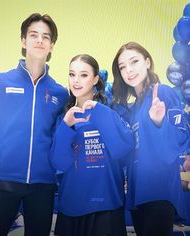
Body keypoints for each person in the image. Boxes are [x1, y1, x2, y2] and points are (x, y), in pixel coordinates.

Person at [0, 13, 69, 236]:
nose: (39, 40)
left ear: (52, 46)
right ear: (23, 41)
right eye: (33, 35)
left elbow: (61, 140)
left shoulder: (59, 93)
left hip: (43, 186)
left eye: (46, 37)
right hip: (4, 182)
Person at [50, 54, 134, 236]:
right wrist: (66, 126)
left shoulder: (113, 111)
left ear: (96, 79)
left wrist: (100, 112)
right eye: (72, 74)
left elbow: (123, 149)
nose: (76, 81)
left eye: (83, 75)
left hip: (107, 207)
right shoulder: (64, 118)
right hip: (72, 206)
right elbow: (59, 163)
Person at [111, 41, 189, 236]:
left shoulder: (162, 93)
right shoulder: (134, 107)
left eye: (134, 61)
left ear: (147, 62)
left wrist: (159, 122)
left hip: (159, 191)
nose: (128, 70)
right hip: (138, 194)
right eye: (122, 67)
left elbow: (181, 138)